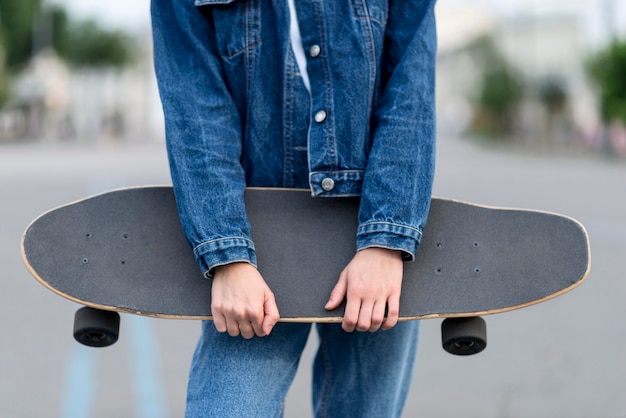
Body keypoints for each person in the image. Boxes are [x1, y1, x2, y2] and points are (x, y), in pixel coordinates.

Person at [151, 0, 437, 416]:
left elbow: (412, 88)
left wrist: (386, 240)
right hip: (253, 244)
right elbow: (194, 104)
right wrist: (227, 253)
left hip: (373, 239)